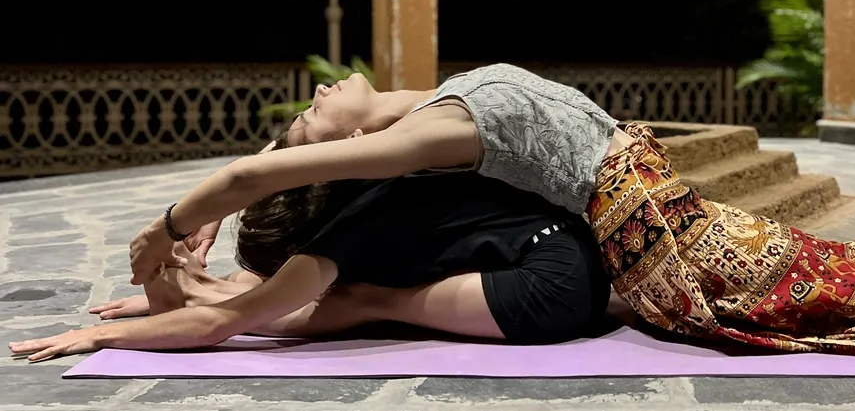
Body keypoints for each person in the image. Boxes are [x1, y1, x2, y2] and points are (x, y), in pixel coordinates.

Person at [14, 64, 855, 360]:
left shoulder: (432, 97)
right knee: (837, 298)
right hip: (657, 239)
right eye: (311, 113)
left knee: (847, 263)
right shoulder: (417, 140)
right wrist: (185, 228)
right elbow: (261, 186)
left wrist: (198, 263)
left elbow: (272, 202)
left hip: (665, 211)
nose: (319, 90)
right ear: (346, 147)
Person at [10, 170, 611, 362]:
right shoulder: (354, 185)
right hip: (568, 249)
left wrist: (98, 334)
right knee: (362, 293)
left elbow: (218, 331)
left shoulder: (344, 238)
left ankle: (200, 294)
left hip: (549, 287)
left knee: (371, 303)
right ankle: (204, 291)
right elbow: (274, 161)